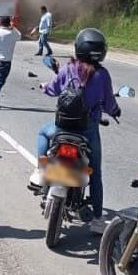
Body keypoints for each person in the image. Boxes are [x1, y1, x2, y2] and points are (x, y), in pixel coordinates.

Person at [29, 28, 120, 233]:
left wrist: (44, 86)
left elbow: (52, 89)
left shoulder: (69, 69)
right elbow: (109, 104)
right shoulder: (102, 75)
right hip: (87, 131)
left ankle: (40, 170)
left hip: (62, 127)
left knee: (43, 133)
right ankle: (97, 220)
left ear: (79, 49)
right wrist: (115, 111)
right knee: (95, 174)